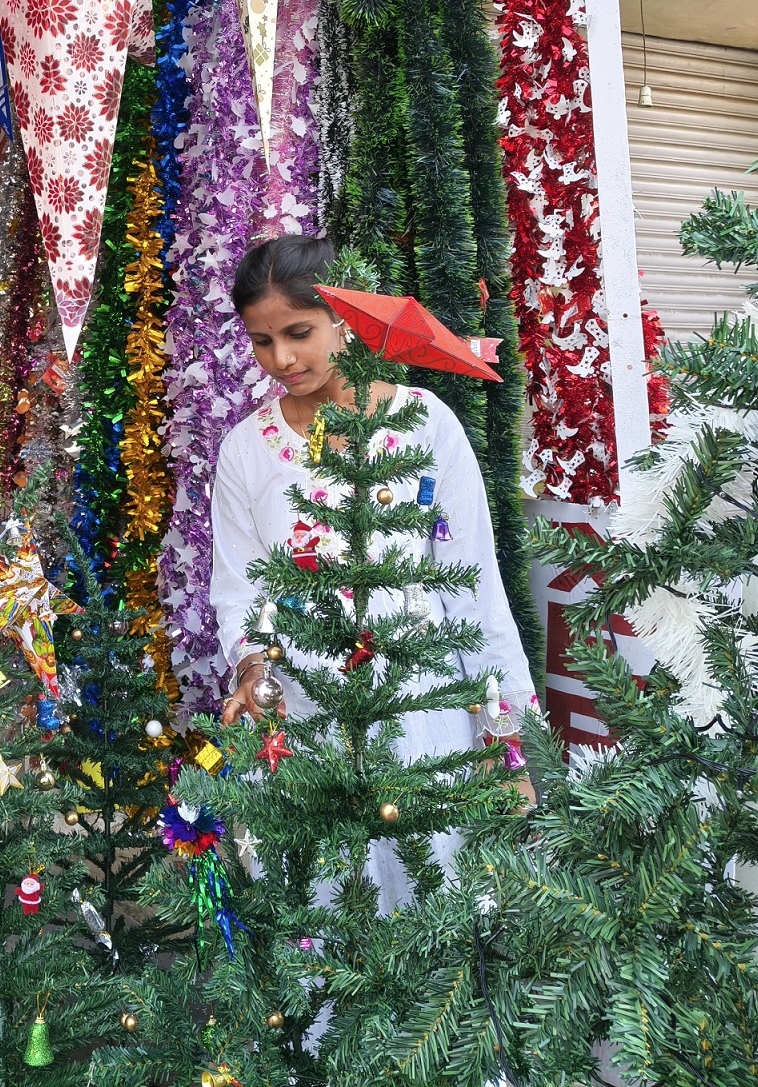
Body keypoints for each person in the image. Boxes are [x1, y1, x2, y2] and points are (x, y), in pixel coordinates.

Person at [208, 234, 536, 908]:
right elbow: (240, 589)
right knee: (321, 910)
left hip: (422, 702)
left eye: (299, 333)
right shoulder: (246, 450)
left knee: (436, 896)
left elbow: (474, 584)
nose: (283, 359)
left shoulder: (425, 426)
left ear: (343, 318)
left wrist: (507, 736)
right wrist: (253, 673)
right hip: (302, 712)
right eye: (262, 342)